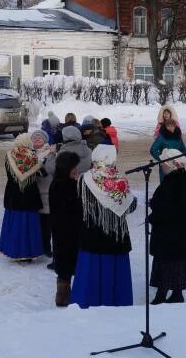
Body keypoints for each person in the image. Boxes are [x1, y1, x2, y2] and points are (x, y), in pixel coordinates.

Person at [70, 144, 137, 308]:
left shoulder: (84, 179)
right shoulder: (120, 180)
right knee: (114, 272)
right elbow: (130, 207)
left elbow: (77, 205)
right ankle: (116, 300)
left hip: (91, 234)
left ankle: (88, 299)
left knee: (90, 272)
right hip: (115, 235)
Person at [149, 149, 186, 304]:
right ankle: (177, 293)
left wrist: (153, 215)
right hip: (179, 231)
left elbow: (167, 207)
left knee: (168, 262)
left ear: (171, 164)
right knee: (177, 262)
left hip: (171, 232)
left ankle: (162, 294)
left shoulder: (173, 181)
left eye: (164, 163)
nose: (162, 165)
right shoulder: (180, 178)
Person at [0, 133, 45, 261]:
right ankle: (28, 251)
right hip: (29, 194)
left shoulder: (9, 155)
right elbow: (43, 173)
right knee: (28, 225)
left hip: (13, 193)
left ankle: (13, 250)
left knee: (15, 223)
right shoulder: (32, 156)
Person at [49, 151, 83, 307]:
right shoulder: (61, 185)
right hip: (65, 232)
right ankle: (63, 296)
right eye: (74, 168)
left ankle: (68, 294)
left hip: (70, 231)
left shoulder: (66, 183)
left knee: (68, 264)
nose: (76, 171)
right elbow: (69, 210)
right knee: (65, 266)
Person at [31, 130, 57, 258]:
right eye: (35, 138)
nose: (37, 139)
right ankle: (37, 247)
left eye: (40, 138)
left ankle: (47, 248)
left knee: (46, 224)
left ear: (45, 140)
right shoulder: (28, 154)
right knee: (35, 224)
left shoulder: (50, 153)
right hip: (33, 194)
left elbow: (50, 171)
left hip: (46, 192)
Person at [150, 112, 186, 181]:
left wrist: (180, 160)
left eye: (172, 126)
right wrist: (162, 159)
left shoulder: (178, 137)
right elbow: (153, 150)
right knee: (166, 187)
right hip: (166, 166)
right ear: (165, 127)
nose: (170, 128)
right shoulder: (161, 137)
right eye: (168, 126)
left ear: (175, 127)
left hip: (177, 166)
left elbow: (183, 150)